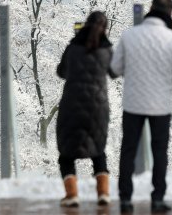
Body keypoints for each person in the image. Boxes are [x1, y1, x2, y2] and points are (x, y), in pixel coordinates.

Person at [110, 0, 172, 214]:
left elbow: (115, 68)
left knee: (128, 149)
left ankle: (125, 199)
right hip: (160, 104)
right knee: (160, 151)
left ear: (151, 9)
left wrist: (133, 76)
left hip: (133, 103)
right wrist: (165, 83)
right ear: (170, 13)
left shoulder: (129, 35)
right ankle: (158, 198)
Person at [55, 11, 116, 207]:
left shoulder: (73, 47)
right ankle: (103, 194)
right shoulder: (107, 50)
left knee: (66, 153)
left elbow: (61, 72)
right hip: (98, 106)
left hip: (72, 105)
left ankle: (72, 195)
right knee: (98, 150)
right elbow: (115, 72)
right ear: (104, 29)